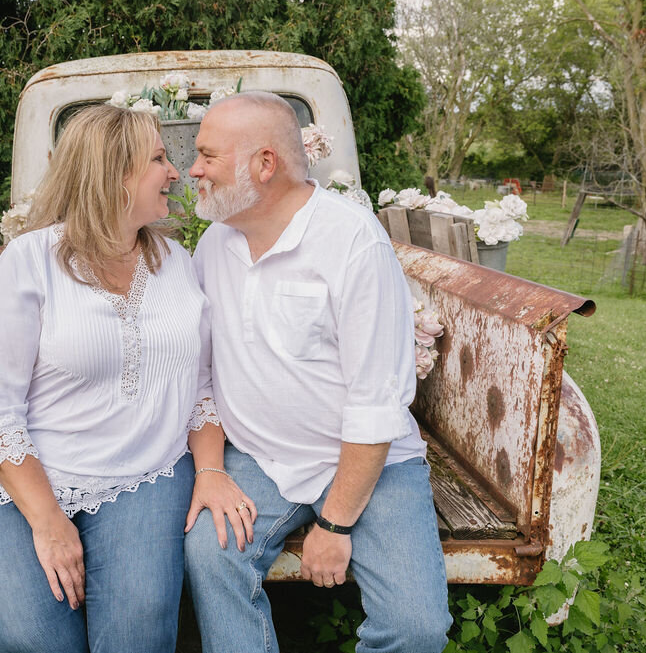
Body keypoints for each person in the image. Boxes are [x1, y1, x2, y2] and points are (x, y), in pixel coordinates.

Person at [182, 92, 453, 653]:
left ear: (264, 164)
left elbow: (377, 401)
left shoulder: (352, 242)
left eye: (207, 155)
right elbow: (201, 375)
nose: (193, 169)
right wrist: (211, 470)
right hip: (261, 457)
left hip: (367, 461)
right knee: (211, 556)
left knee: (416, 628)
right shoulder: (213, 245)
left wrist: (333, 526)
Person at [0, 104, 215, 653]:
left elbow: (201, 390)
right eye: (159, 159)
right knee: (36, 639)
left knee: (139, 633)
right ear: (114, 177)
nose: (175, 172)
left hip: (143, 474)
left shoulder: (178, 265)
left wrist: (209, 469)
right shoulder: (31, 261)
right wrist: (47, 523)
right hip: (14, 479)